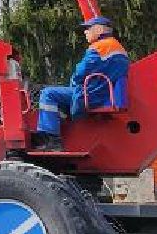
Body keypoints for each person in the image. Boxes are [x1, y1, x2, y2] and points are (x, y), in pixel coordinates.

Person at [33, 17, 131, 149]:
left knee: (48, 93)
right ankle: (63, 116)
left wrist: (74, 81)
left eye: (88, 28)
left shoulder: (99, 47)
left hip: (91, 94)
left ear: (99, 29)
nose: (85, 32)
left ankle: (51, 138)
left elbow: (81, 71)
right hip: (105, 94)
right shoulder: (119, 48)